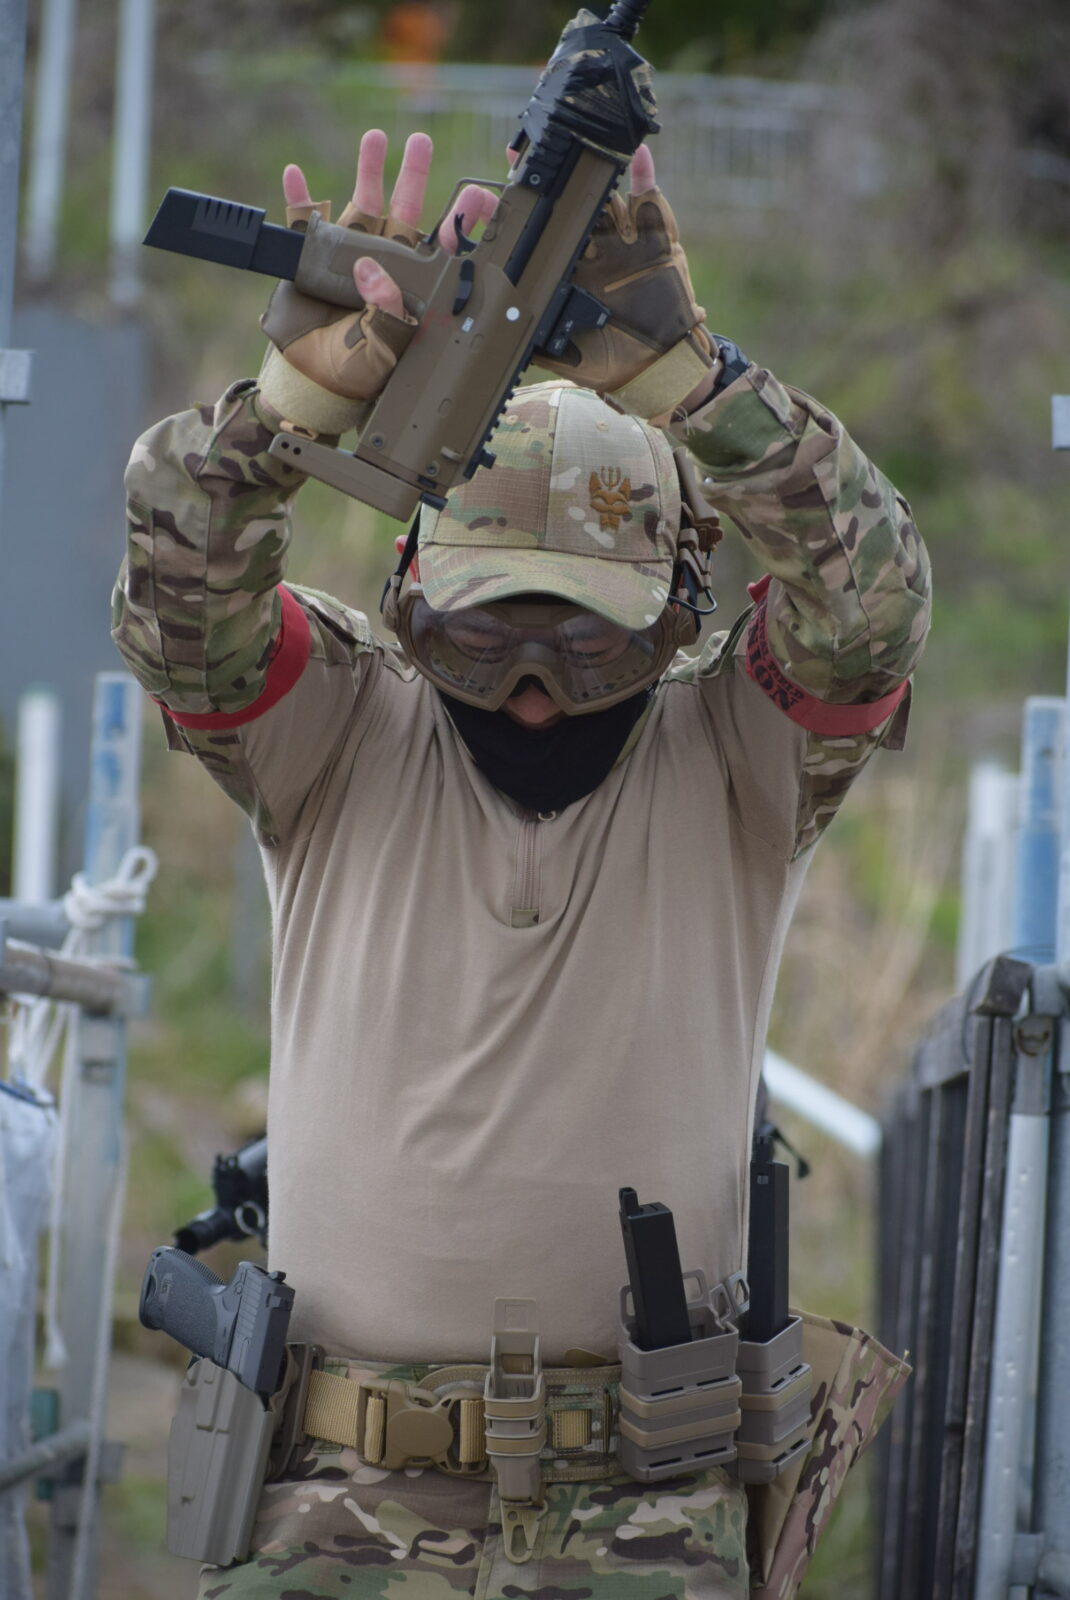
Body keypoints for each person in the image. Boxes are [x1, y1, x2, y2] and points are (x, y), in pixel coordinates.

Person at [115, 122, 929, 1599]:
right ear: (408, 602)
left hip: (645, 1503)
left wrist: (695, 386)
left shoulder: (737, 758)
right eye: (486, 639)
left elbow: (869, 609)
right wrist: (288, 412)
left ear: (678, 615)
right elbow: (178, 592)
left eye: (586, 645)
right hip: (337, 1499)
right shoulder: (336, 730)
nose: (536, 693)